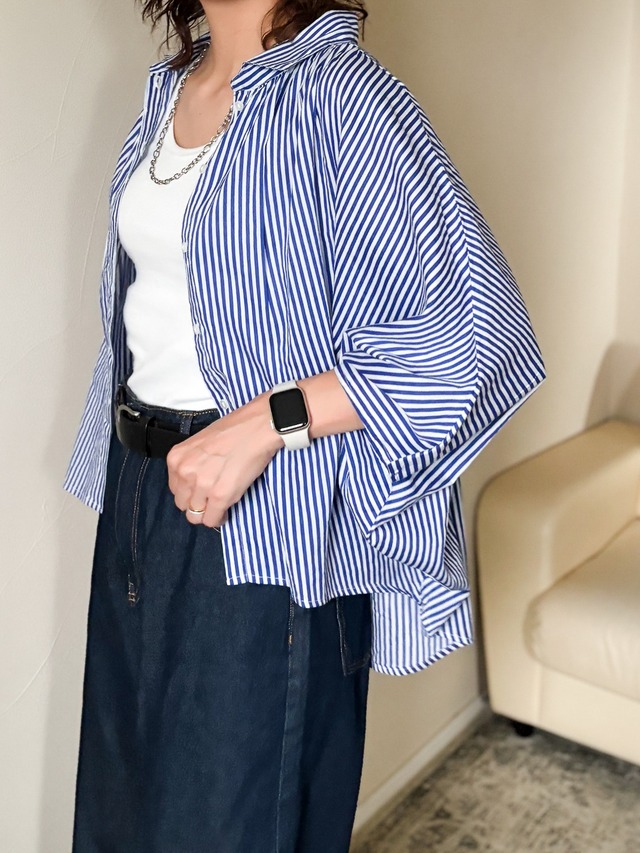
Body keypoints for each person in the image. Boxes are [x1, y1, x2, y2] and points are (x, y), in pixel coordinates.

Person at [64, 0, 546, 850]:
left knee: (230, 830)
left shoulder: (343, 95)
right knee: (117, 819)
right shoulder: (169, 91)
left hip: (266, 525)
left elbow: (474, 333)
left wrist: (265, 423)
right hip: (138, 496)